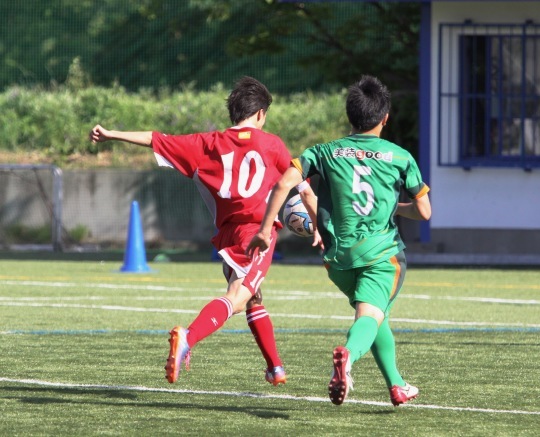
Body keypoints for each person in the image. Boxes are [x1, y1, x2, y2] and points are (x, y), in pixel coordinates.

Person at [89, 76, 317, 385]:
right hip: (257, 233)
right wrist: (319, 226)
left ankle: (275, 367)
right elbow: (304, 191)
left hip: (227, 234)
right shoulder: (273, 144)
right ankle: (188, 337)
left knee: (253, 297)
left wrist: (111, 134)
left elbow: (156, 139)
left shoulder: (205, 144)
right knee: (237, 297)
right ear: (261, 113)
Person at [247, 75, 431, 406]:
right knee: (369, 317)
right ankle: (347, 357)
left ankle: (397, 385)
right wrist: (397, 208)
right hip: (381, 255)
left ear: (350, 116)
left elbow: (282, 185)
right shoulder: (400, 156)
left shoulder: (324, 151)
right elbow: (424, 211)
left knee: (375, 315)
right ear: (385, 117)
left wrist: (263, 230)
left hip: (338, 260)